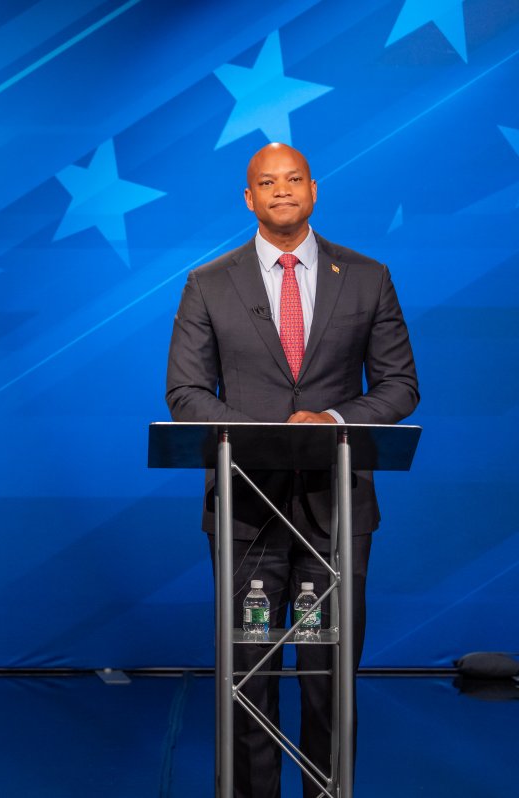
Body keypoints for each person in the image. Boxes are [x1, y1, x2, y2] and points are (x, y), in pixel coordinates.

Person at [165, 143, 419, 798]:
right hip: (247, 515)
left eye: (294, 179)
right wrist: (264, 436)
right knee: (247, 677)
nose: (282, 190)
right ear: (248, 198)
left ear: (314, 190)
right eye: (266, 182)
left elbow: (399, 387)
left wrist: (331, 420)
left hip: (336, 514)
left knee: (328, 681)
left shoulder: (366, 277)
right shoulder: (207, 283)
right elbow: (185, 393)